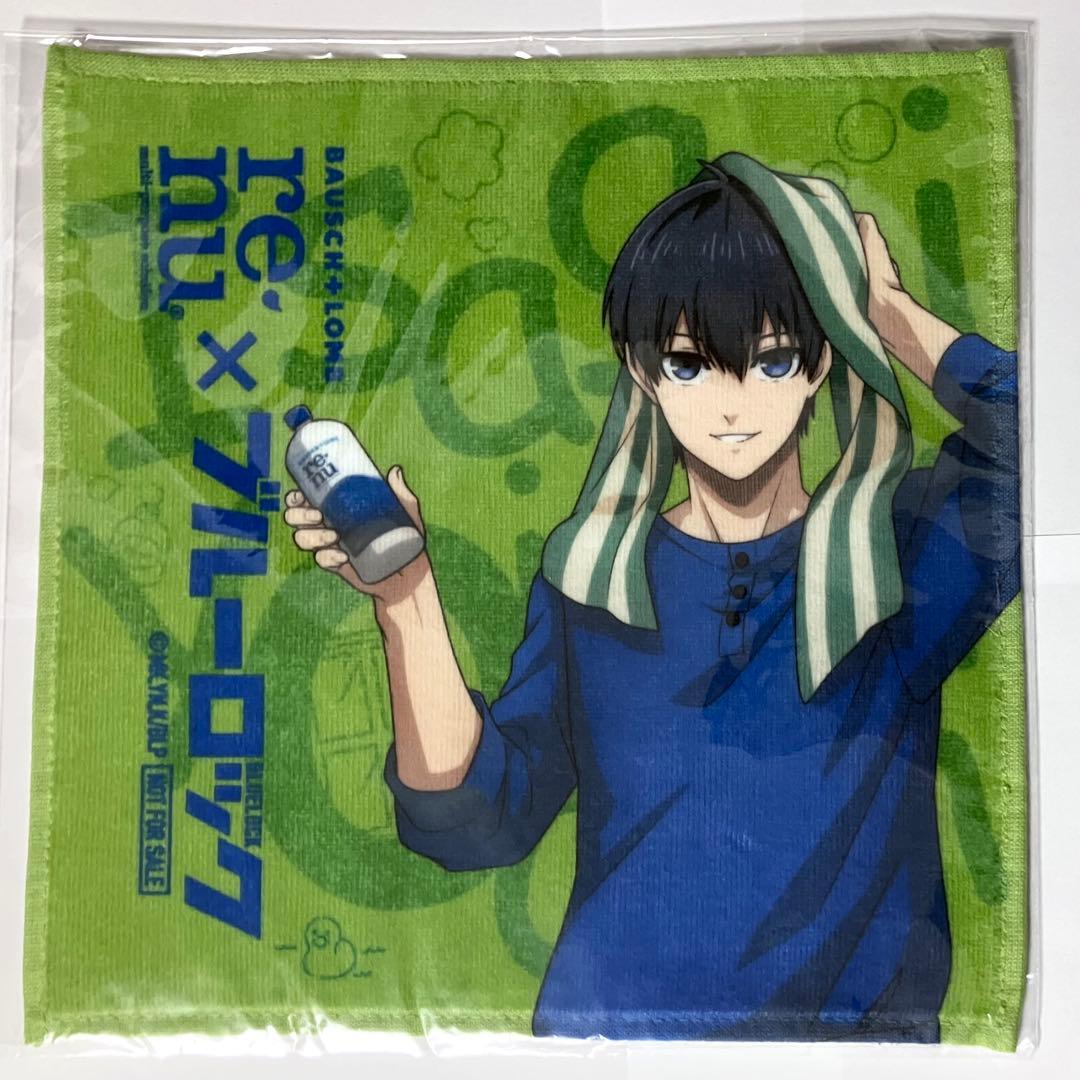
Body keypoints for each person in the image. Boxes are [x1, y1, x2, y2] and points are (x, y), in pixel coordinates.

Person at [284, 153, 1020, 1042]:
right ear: (642, 372)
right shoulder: (596, 577)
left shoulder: (894, 560)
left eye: (773, 360)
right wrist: (405, 599)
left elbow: (1044, 437)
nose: (733, 405)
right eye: (689, 363)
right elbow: (480, 825)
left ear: (823, 359)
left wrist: (889, 313)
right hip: (606, 1048)